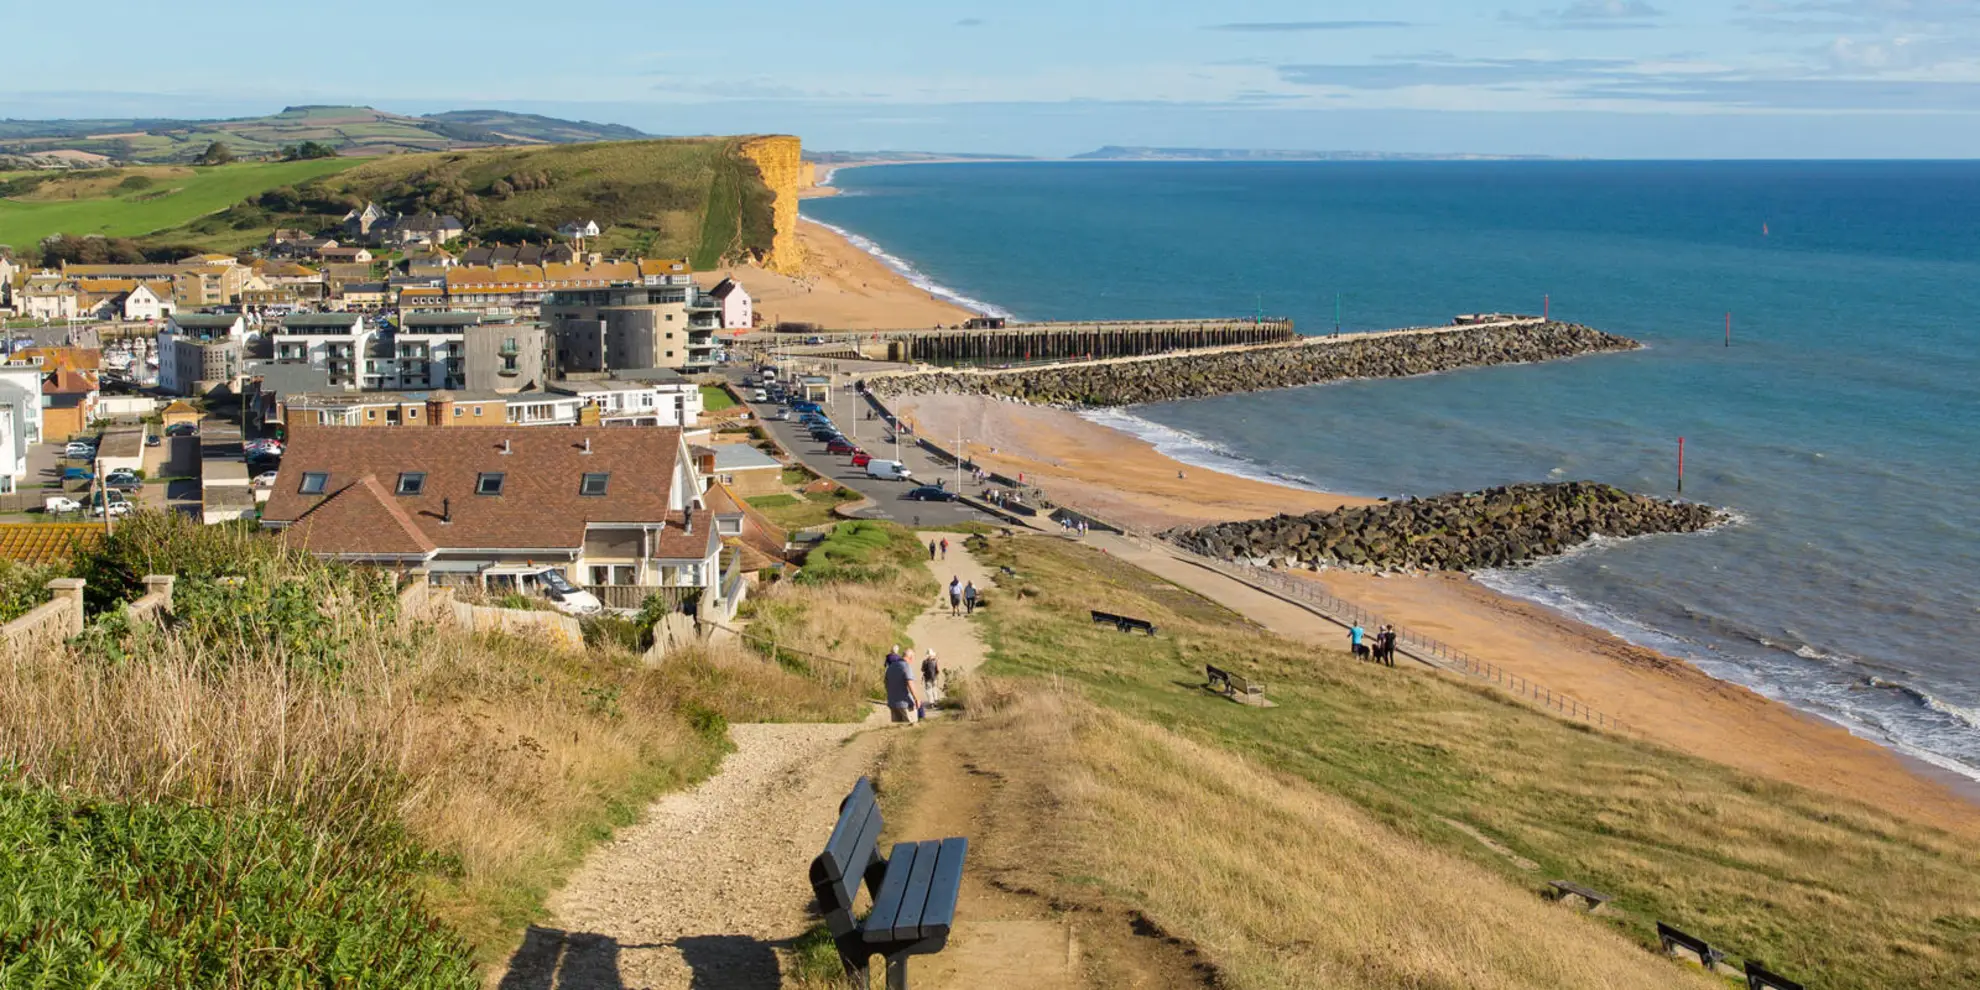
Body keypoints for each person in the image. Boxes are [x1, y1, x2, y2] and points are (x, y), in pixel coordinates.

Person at [885, 649, 924, 724]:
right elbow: (910, 683)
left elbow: (886, 683)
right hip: (905, 704)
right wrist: (917, 699)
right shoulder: (906, 666)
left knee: (898, 730)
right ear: (911, 657)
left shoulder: (891, 666)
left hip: (893, 703)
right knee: (911, 728)